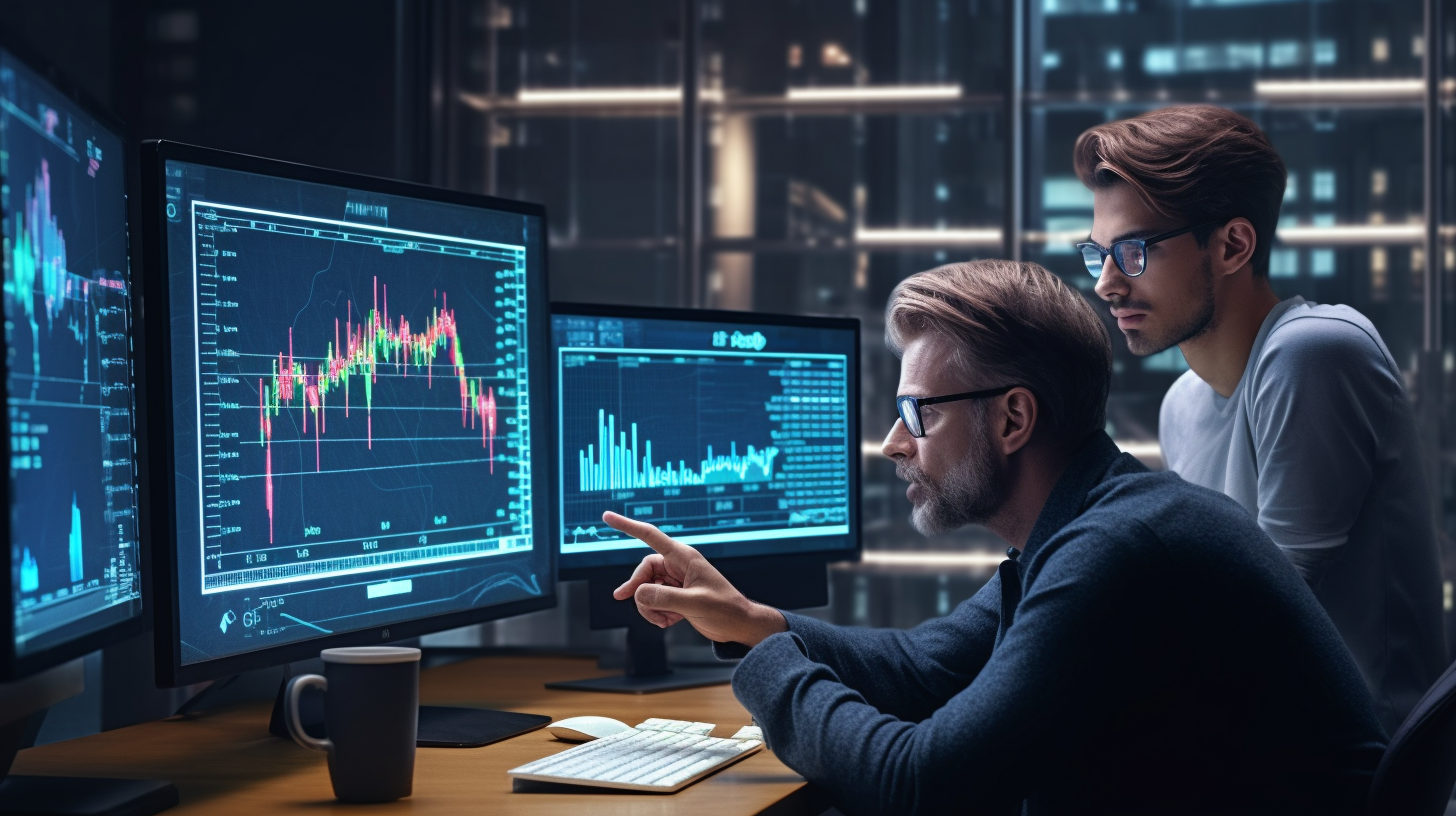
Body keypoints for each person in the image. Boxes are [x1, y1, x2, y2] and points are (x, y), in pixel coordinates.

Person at [603, 260, 1385, 816]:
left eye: (920, 414)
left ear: (1013, 418)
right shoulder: (1093, 523)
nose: (892, 444)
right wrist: (750, 622)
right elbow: (925, 666)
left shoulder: (1120, 549)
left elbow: (919, 785)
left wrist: (770, 665)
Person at [1076, 105, 1445, 732]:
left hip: (1355, 765)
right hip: (1255, 738)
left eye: (1133, 251)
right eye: (1097, 253)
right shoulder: (1182, 406)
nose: (1107, 283)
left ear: (1233, 245)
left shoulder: (1314, 351)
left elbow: (1266, 606)